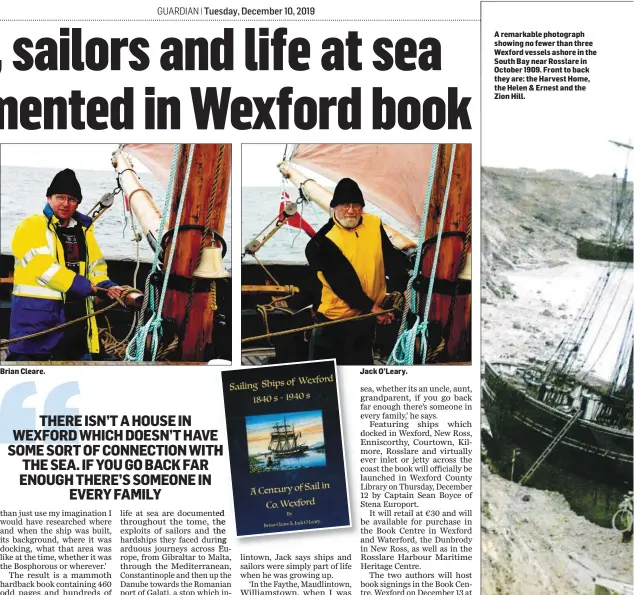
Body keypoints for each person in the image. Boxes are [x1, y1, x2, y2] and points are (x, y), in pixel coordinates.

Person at [8, 169, 125, 361]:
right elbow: (42, 268)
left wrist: (106, 286)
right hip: (37, 320)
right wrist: (83, 286)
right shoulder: (31, 226)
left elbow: (95, 267)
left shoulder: (84, 232)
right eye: (60, 197)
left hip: (77, 320)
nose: (65, 203)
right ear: (48, 198)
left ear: (77, 203)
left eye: (71, 199)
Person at [305, 178, 409, 365]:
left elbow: (390, 258)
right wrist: (375, 309)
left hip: (365, 319)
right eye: (345, 205)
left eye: (356, 205)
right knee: (326, 377)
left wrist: (401, 287)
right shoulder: (322, 243)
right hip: (334, 321)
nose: (351, 211)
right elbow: (344, 284)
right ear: (334, 207)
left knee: (361, 370)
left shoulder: (373, 224)